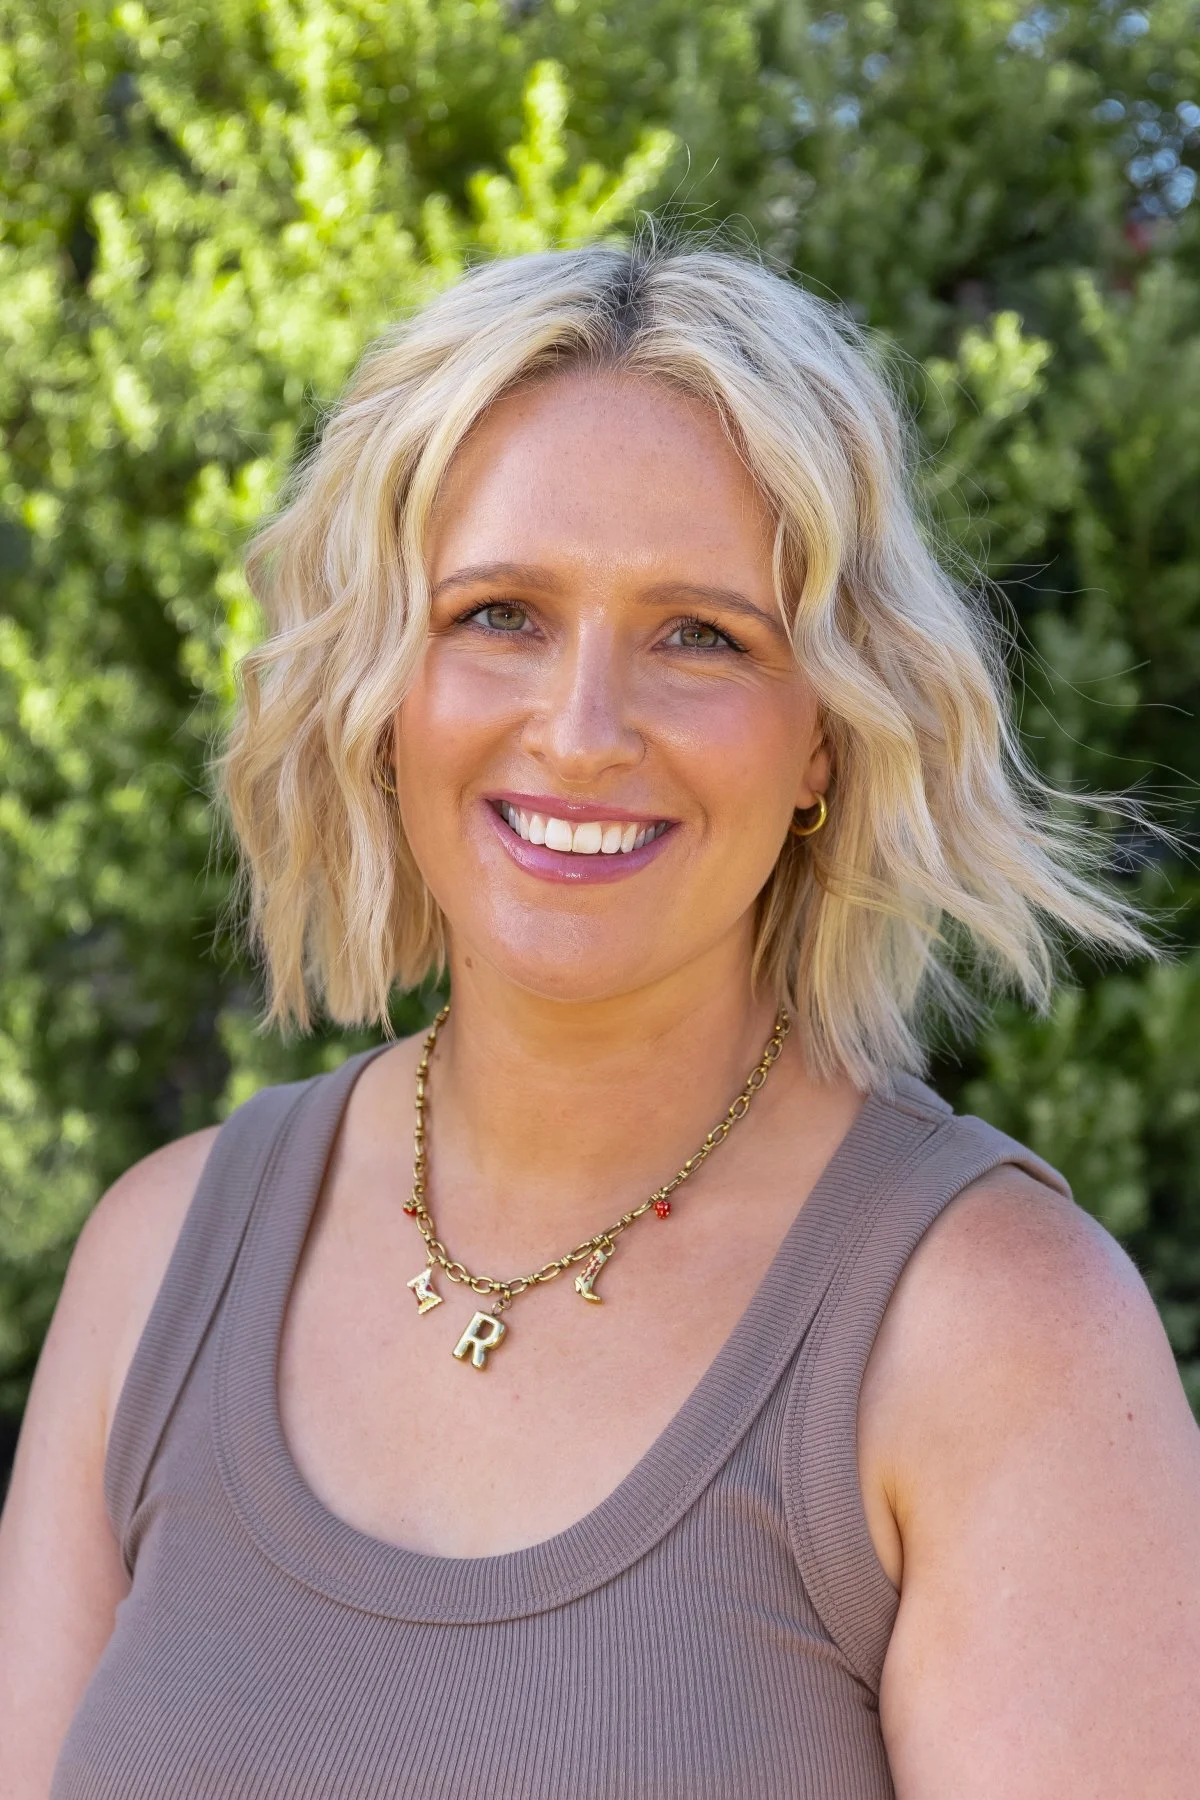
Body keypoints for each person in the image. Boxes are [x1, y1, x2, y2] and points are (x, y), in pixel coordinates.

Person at [2, 241, 1198, 1800]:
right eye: (499, 614)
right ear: (385, 685)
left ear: (828, 736)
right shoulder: (160, 1262)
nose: (579, 732)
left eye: (701, 635)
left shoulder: (999, 1338)